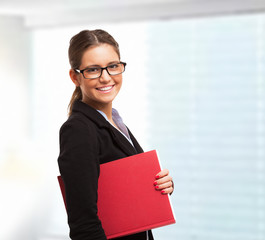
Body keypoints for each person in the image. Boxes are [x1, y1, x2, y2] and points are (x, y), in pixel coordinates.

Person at [57, 29, 174, 240]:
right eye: (93, 70)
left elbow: (121, 196)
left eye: (112, 66)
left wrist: (159, 186)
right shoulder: (78, 130)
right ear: (75, 77)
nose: (105, 77)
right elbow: (84, 225)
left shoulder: (115, 122)